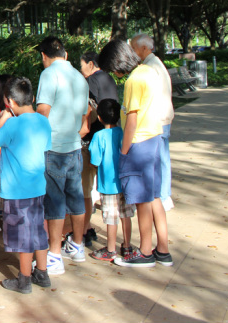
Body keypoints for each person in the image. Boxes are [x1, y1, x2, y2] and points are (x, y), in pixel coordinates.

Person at [98, 39, 173, 268]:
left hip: (138, 144)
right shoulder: (149, 71)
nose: (114, 74)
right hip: (155, 139)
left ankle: (145, 252)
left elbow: (131, 120)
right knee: (155, 197)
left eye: (112, 68)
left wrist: (123, 152)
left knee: (142, 201)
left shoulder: (133, 80)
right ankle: (163, 250)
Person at [0, 77, 52, 294]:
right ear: (32, 97)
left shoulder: (12, 123)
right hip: (37, 187)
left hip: (17, 190)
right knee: (37, 230)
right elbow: (41, 147)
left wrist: (4, 118)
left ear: (9, 102)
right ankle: (42, 272)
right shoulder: (43, 121)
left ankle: (24, 279)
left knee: (22, 235)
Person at [34, 36, 90, 274]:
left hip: (54, 148)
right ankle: (77, 246)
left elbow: (42, 111)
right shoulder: (79, 76)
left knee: (55, 202)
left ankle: (54, 255)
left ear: (44, 56)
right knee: (76, 196)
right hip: (75, 146)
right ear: (65, 55)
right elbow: (86, 112)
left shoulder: (48, 74)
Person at [75, 51, 119, 247]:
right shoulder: (109, 78)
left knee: (85, 190)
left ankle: (84, 230)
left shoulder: (91, 80)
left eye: (82, 65)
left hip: (92, 141)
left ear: (91, 64)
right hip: (110, 138)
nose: (80, 69)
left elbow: (88, 109)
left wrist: (81, 130)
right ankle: (92, 229)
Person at [131, 34, 175, 212]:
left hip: (158, 119)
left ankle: (162, 195)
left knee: (160, 159)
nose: (133, 53)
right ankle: (163, 195)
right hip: (162, 117)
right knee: (162, 157)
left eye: (134, 48)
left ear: (144, 48)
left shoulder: (150, 67)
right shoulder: (154, 64)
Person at [87, 99, 135, 261]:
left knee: (111, 217)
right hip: (125, 182)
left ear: (99, 117)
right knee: (126, 215)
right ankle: (127, 246)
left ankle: (111, 248)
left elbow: (95, 161)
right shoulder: (123, 132)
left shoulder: (99, 136)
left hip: (108, 184)